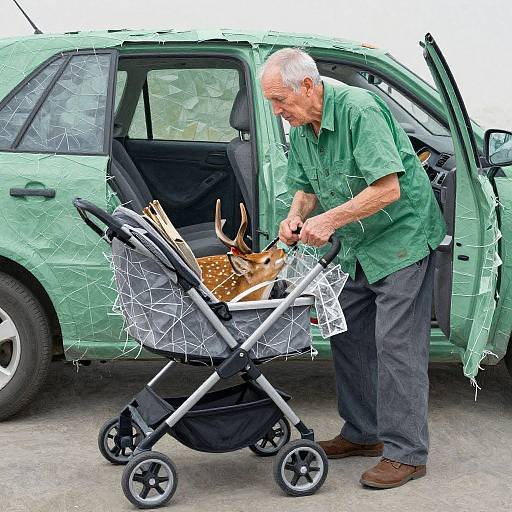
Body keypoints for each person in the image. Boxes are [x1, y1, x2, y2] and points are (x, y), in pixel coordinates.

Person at [259, 48, 446, 489]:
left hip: (401, 239)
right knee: (346, 334)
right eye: (272, 103)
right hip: (357, 244)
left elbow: (387, 189)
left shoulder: (359, 111)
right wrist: (297, 216)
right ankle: (364, 434)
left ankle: (407, 454)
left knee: (396, 344)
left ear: (307, 85)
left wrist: (328, 220)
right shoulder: (302, 126)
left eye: (279, 100)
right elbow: (305, 186)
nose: (276, 111)